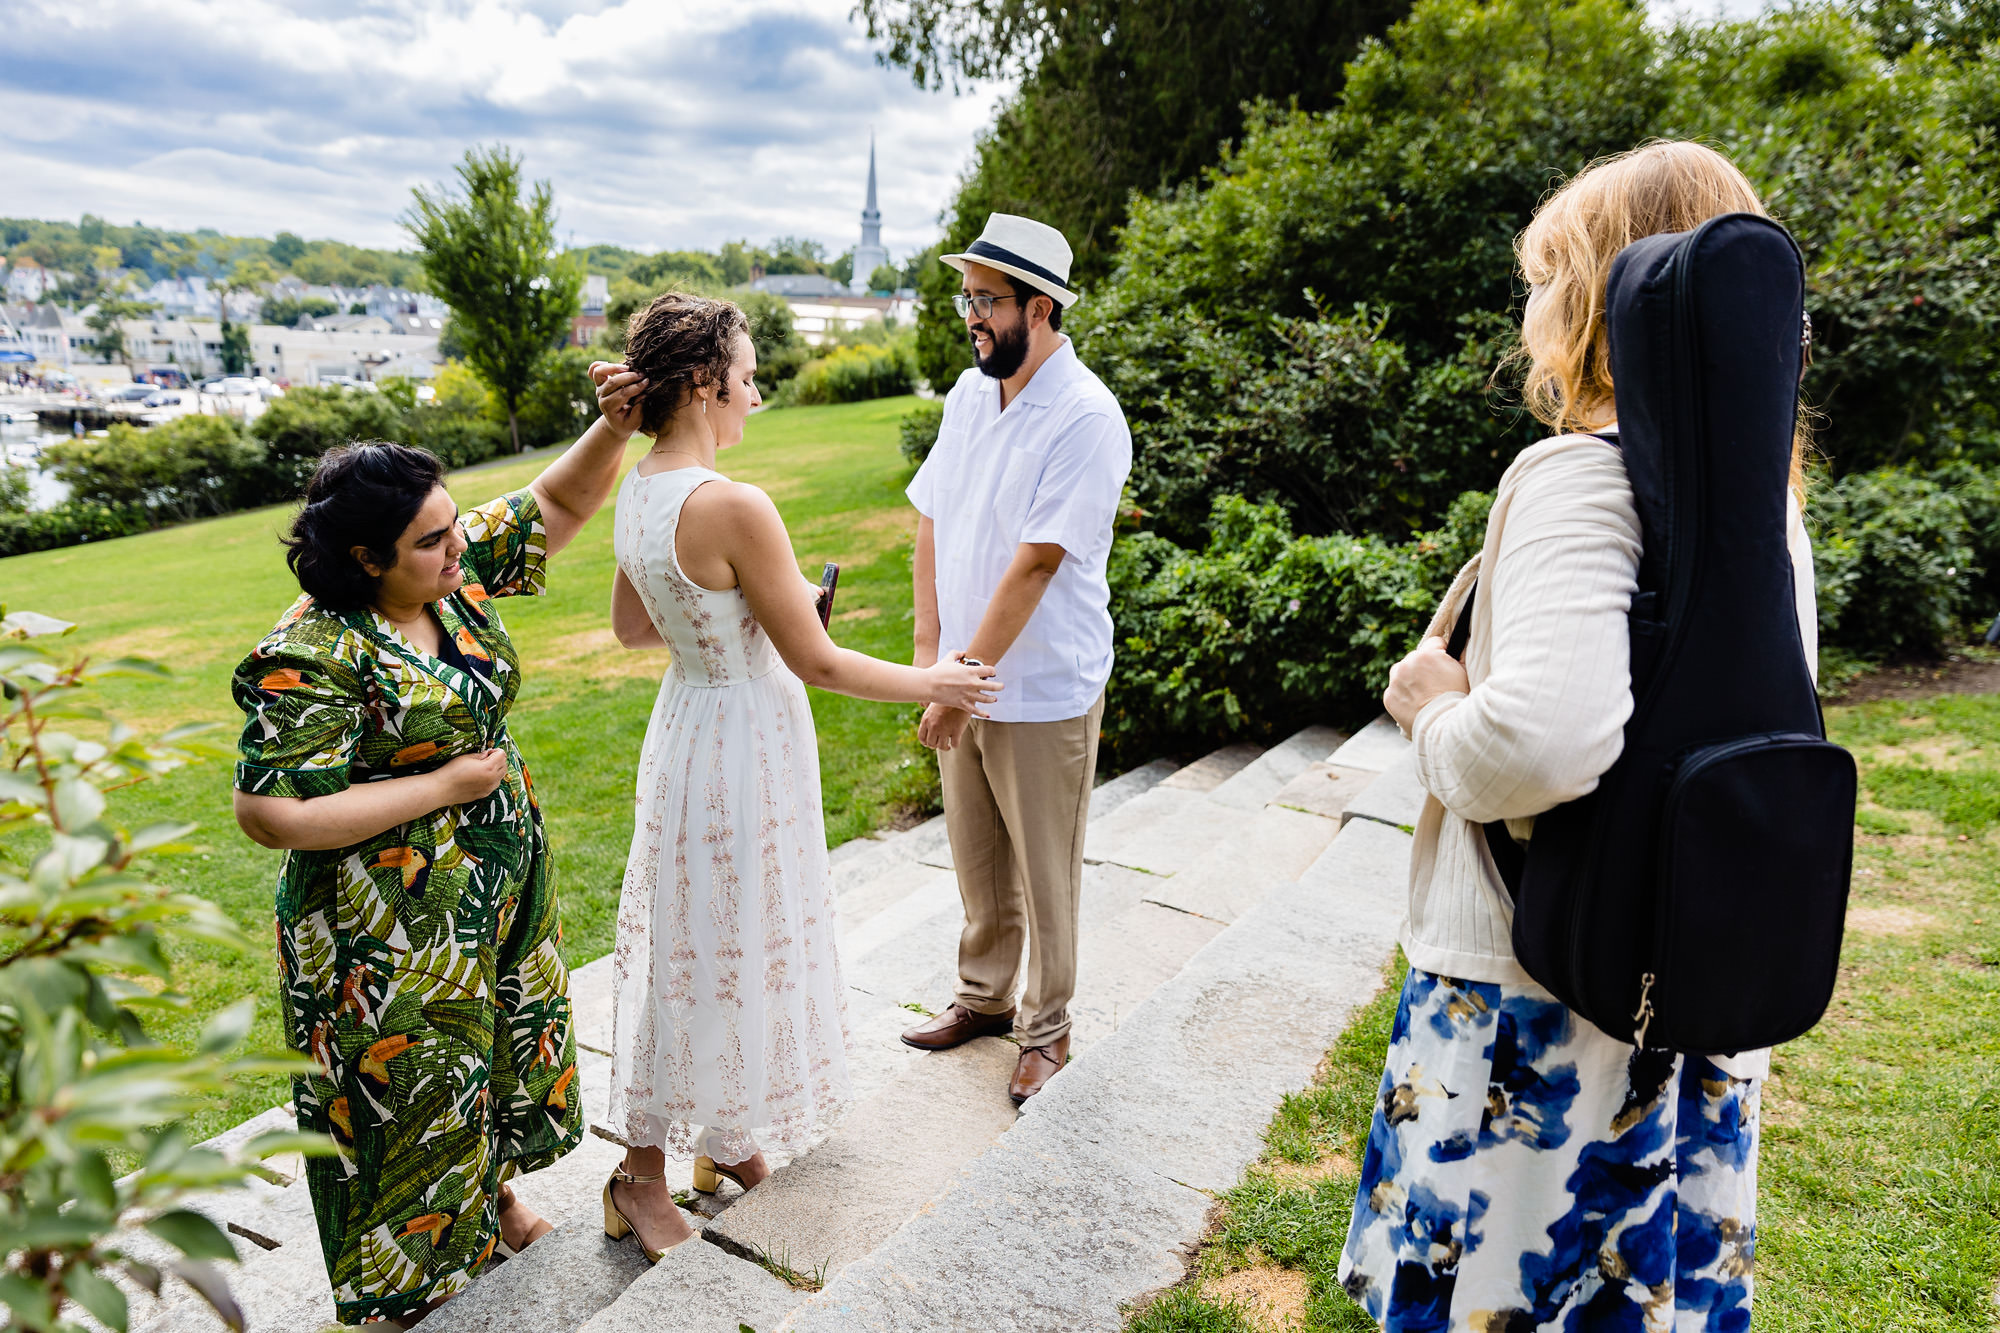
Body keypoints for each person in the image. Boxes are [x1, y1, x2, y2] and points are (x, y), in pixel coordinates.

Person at [1337, 141, 1814, 1329]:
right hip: (1689, 981)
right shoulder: (1769, 512)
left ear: (1603, 295)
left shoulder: (1575, 481)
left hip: (1534, 1003)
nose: (1533, 309)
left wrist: (1430, 706)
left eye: (1549, 276)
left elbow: (1536, 750)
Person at [587, 293, 1001, 1262]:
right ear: (704, 383)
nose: (755, 389)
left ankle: (724, 1139)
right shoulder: (732, 502)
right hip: (740, 741)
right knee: (707, 946)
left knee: (718, 936)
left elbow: (636, 627)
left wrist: (745, 615)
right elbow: (816, 662)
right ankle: (637, 1177)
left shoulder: (640, 487)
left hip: (691, 728)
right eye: (747, 370)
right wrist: (932, 680)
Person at [230, 392, 635, 1327]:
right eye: (430, 540)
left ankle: (489, 1208)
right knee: (405, 1092)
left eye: (455, 526)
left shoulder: (448, 576)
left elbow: (552, 507)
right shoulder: (313, 649)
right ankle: (404, 1289)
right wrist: (443, 787)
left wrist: (614, 423)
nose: (457, 548)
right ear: (366, 558)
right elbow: (269, 812)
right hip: (383, 922)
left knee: (488, 1055)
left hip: (490, 884)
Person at [898, 214, 1133, 1105]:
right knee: (976, 857)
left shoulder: (1085, 415)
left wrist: (961, 683)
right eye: (968, 296)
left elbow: (1036, 562)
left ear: (1040, 308)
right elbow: (928, 517)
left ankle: (1047, 1029)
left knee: (1044, 869)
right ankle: (983, 998)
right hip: (962, 672)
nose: (971, 314)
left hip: (1041, 685)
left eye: (986, 299)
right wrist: (931, 662)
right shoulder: (968, 396)